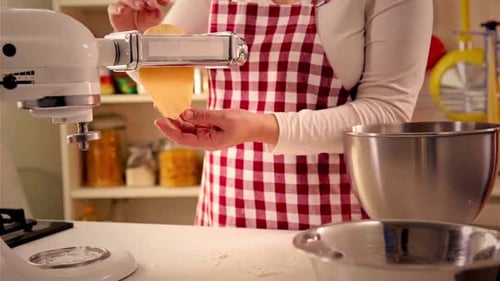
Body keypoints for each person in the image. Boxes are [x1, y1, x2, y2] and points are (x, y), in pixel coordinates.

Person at [108, 0, 433, 230]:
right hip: (226, 217)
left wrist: (258, 127)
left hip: (334, 224)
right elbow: (161, 75)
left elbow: (387, 113)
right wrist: (136, 40)